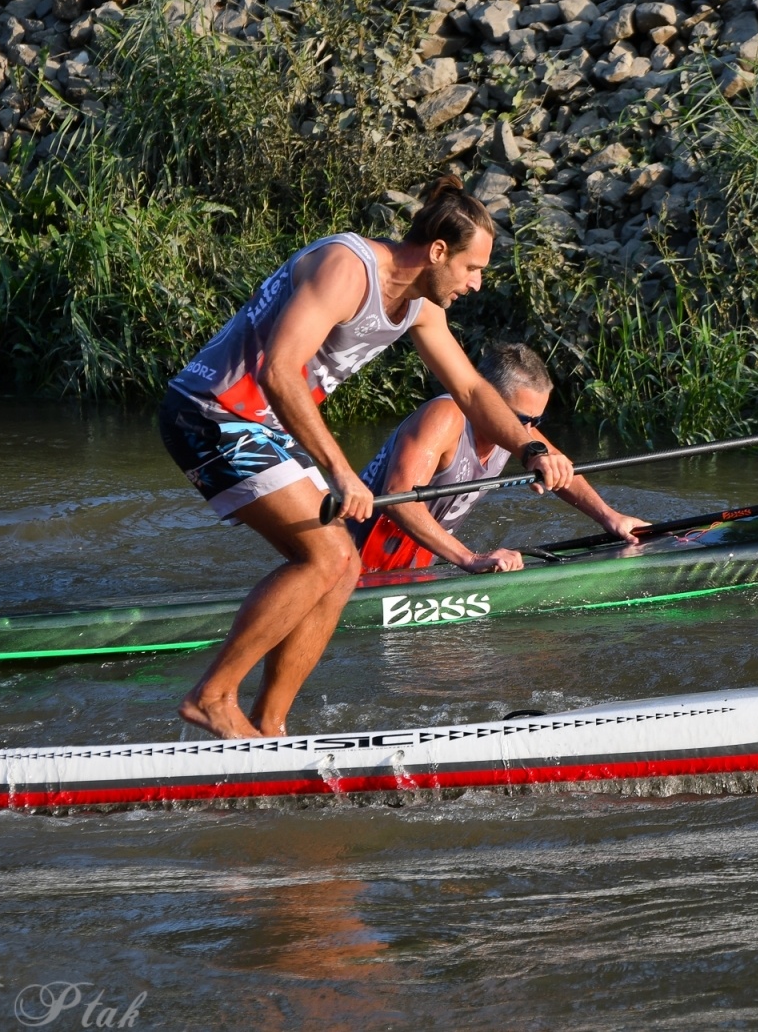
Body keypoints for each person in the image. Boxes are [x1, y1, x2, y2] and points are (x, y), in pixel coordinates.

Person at [158, 175, 574, 740]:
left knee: (343, 567)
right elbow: (278, 370)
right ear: (436, 252)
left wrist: (530, 447)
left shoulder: (422, 308)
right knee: (327, 555)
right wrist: (339, 470)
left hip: (261, 425)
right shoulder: (346, 267)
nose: (476, 284)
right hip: (209, 412)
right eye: (472, 268)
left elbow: (475, 394)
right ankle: (212, 696)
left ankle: (269, 725)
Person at [350, 343, 645, 579]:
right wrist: (471, 559)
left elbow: (561, 468)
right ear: (487, 399)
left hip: (407, 563)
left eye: (535, 420)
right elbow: (396, 498)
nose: (526, 432)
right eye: (519, 419)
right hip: (349, 555)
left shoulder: (517, 435)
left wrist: (611, 518)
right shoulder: (445, 418)